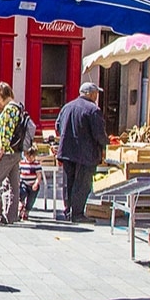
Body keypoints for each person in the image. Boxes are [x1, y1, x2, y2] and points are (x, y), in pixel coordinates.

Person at [55, 83, 109, 223]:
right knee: (83, 183)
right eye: (96, 93)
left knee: (69, 182)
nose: (97, 96)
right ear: (90, 94)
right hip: (86, 153)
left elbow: (58, 125)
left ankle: (68, 211)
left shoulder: (67, 107)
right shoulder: (93, 110)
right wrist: (106, 145)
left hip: (67, 151)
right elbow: (99, 134)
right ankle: (77, 213)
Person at [0, 83, 27, 225]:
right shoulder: (18, 107)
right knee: (13, 185)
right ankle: (10, 215)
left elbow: (5, 134)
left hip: (6, 153)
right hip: (16, 152)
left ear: (0, 96)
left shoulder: (8, 111)